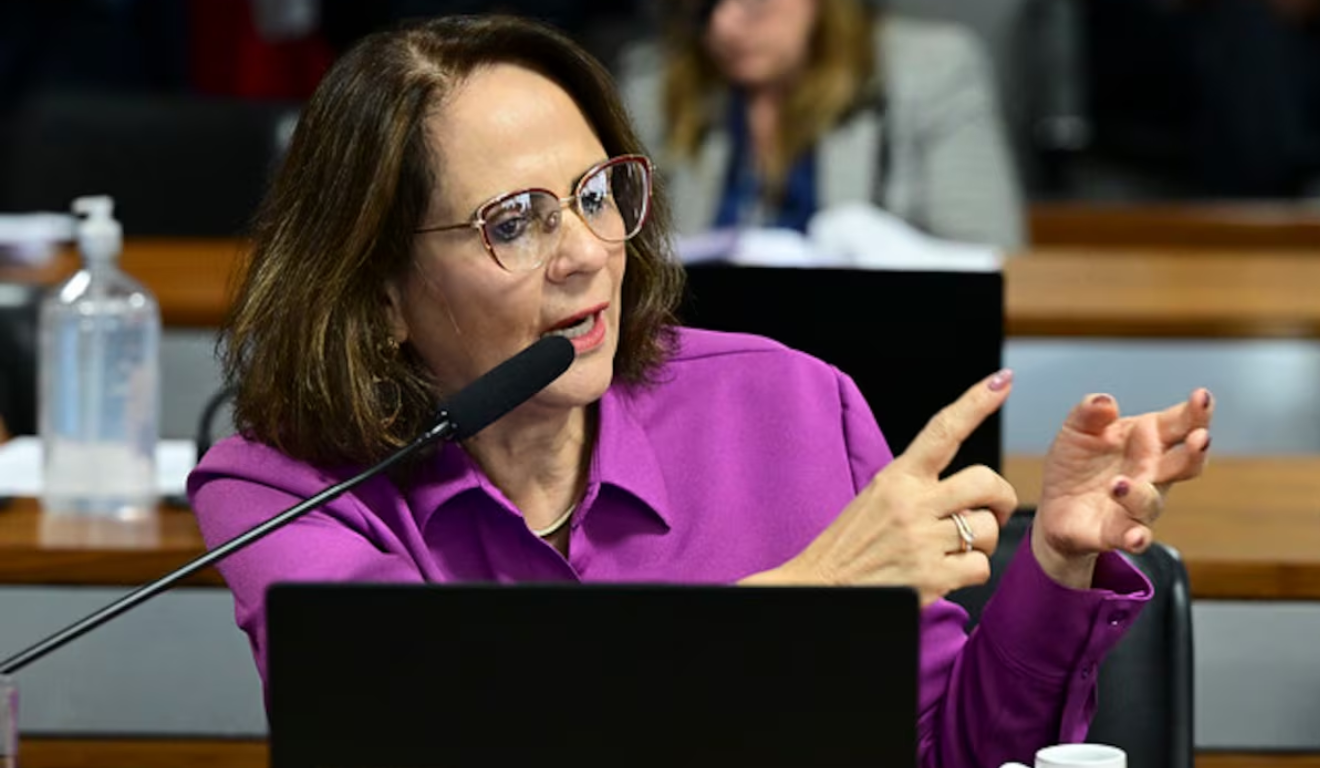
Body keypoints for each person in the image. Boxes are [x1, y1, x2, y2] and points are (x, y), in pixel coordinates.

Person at [187, 14, 1214, 768]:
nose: (588, 255)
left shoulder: (791, 408)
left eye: (596, 197)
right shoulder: (281, 489)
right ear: (379, 290)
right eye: (516, 221)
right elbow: (428, 739)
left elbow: (953, 755)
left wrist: (1054, 565)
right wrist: (805, 601)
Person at [617, 0, 1026, 249]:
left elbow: (990, 252)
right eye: (704, 6)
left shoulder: (931, 68)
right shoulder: (654, 86)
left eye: (753, 2)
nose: (723, 26)